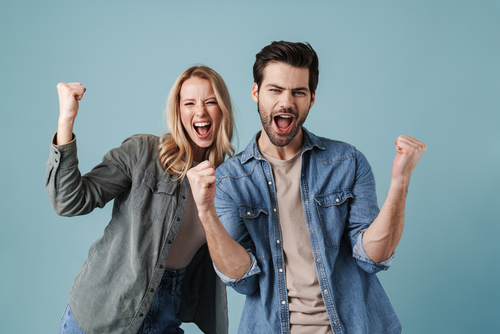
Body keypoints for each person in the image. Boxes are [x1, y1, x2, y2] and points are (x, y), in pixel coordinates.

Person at [187, 42, 426, 334]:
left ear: (311, 99)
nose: (286, 102)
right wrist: (206, 212)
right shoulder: (230, 181)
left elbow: (371, 258)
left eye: (298, 92)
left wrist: (400, 181)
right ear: (255, 93)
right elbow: (242, 279)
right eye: (275, 90)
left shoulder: (347, 162)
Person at [46, 65, 234, 334]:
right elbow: (69, 200)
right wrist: (66, 120)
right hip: (101, 315)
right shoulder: (142, 153)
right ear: (178, 111)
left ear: (222, 110)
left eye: (210, 102)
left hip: (165, 315)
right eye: (189, 103)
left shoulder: (228, 183)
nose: (200, 112)